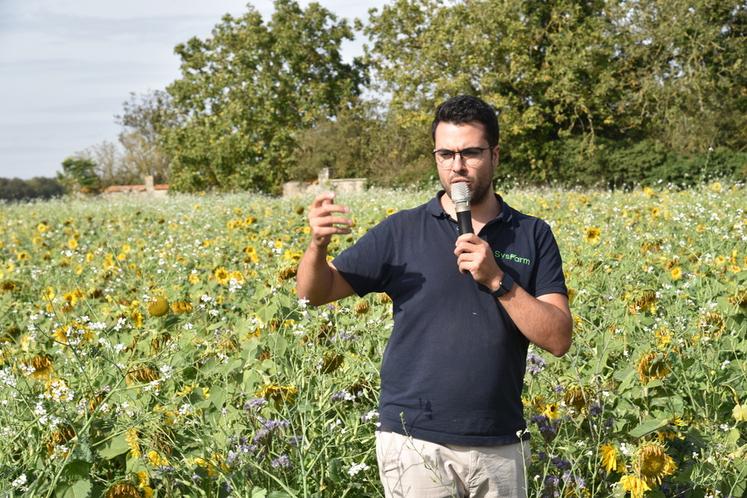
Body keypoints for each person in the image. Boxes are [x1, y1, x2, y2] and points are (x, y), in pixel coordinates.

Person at [296, 95, 572, 498]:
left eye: (470, 153)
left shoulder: (532, 234)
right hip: (414, 441)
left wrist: (498, 280)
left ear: (494, 154)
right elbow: (313, 294)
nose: (457, 166)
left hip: (499, 442)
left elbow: (558, 337)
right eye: (446, 154)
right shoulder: (401, 231)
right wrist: (316, 246)